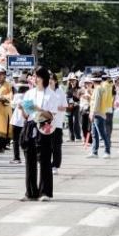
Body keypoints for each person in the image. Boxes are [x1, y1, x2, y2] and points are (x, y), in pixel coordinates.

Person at [22, 66, 64, 201]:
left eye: (35, 76)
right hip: (30, 125)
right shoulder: (29, 93)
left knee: (45, 159)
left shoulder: (50, 94)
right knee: (30, 159)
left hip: (44, 126)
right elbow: (26, 113)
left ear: (42, 78)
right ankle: (30, 191)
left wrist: (38, 109)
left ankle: (45, 192)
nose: (33, 79)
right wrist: (22, 108)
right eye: (33, 76)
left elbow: (51, 115)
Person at [88, 72, 113, 158]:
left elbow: (96, 102)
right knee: (95, 134)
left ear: (93, 81)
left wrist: (92, 113)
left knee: (102, 134)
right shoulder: (100, 88)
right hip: (98, 113)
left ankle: (107, 151)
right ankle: (94, 152)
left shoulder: (98, 89)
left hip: (98, 113)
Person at [9, 78, 29, 164]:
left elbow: (12, 105)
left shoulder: (17, 96)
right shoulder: (29, 96)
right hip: (24, 120)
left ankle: (16, 158)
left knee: (16, 140)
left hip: (17, 121)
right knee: (25, 140)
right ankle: (26, 157)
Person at [65, 74, 82, 142]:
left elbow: (81, 99)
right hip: (69, 107)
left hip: (77, 107)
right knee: (70, 122)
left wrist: (76, 103)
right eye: (70, 80)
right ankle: (71, 137)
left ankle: (78, 136)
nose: (72, 81)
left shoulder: (79, 89)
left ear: (76, 81)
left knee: (76, 121)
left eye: (73, 80)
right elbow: (67, 98)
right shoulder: (68, 89)